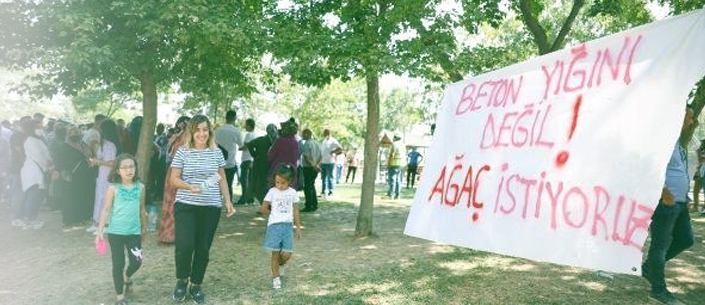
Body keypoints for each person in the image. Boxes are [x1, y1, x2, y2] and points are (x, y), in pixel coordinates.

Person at [169, 115, 235, 304]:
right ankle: (181, 281)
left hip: (210, 207)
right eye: (197, 130)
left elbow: (221, 177)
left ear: (210, 131)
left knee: (203, 248)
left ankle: (196, 284)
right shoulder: (183, 152)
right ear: (191, 132)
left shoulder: (216, 152)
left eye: (205, 129)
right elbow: (173, 179)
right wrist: (190, 187)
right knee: (185, 245)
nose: (201, 133)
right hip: (185, 205)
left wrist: (228, 201)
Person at [642, 105, 695, 305]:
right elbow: (652, 167)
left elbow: (678, 170)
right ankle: (658, 291)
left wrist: (685, 196)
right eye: (689, 118)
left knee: (685, 240)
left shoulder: (678, 142)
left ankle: (649, 268)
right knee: (660, 246)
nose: (691, 122)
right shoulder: (662, 139)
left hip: (680, 203)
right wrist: (664, 192)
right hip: (666, 203)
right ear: (678, 117)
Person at [95, 153, 147, 305]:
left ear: (135, 169)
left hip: (134, 233)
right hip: (116, 233)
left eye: (131, 166)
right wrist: (100, 231)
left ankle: (127, 278)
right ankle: (120, 297)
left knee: (137, 261)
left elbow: (142, 209)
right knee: (118, 264)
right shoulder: (113, 189)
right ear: (118, 171)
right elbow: (106, 210)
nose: (128, 170)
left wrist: (144, 228)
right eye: (124, 167)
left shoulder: (141, 187)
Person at [260, 163, 302, 290]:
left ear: (289, 181)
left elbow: (296, 211)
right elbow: (263, 208)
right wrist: (272, 213)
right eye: (277, 182)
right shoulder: (272, 192)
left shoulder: (293, 193)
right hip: (274, 226)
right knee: (275, 253)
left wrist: (298, 227)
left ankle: (280, 264)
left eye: (283, 183)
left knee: (287, 253)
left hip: (288, 226)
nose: (280, 185)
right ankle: (275, 277)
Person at [158, 116, 190, 244]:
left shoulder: (177, 138)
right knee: (175, 202)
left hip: (176, 171)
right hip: (179, 172)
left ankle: (169, 234)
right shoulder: (184, 138)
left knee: (173, 202)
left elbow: (169, 155)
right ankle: (171, 234)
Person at [55, 126, 95, 226]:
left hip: (85, 176)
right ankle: (71, 219)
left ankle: (83, 217)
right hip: (72, 177)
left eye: (76, 133)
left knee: (83, 197)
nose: (74, 135)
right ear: (68, 135)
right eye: (71, 133)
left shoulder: (83, 144)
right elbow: (60, 162)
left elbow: (90, 155)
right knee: (71, 198)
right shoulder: (64, 146)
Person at [18, 119, 55, 229]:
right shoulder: (30, 141)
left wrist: (49, 163)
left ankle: (33, 218)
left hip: (39, 171)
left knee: (38, 196)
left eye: (41, 126)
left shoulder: (38, 140)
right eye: (37, 127)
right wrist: (50, 166)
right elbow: (40, 157)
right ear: (31, 128)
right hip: (33, 172)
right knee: (33, 196)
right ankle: (27, 220)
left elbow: (46, 155)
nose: (40, 129)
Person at [88, 119, 122, 234]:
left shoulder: (110, 145)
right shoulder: (103, 144)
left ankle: (105, 224)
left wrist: (97, 162)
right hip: (102, 175)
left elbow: (112, 163)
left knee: (106, 199)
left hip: (108, 176)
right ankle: (97, 222)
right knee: (100, 198)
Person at [214, 110, 243, 201]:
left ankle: (215, 204)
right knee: (228, 184)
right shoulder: (236, 131)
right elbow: (241, 145)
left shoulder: (217, 130)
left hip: (217, 163)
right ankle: (228, 205)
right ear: (234, 118)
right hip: (230, 163)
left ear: (226, 117)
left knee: (217, 185)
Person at [248, 124, 278, 204]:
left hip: (271, 165)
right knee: (263, 184)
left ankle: (267, 202)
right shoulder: (263, 140)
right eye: (271, 130)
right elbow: (250, 144)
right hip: (263, 165)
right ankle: (264, 202)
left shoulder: (276, 140)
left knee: (268, 184)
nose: (272, 132)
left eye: (273, 130)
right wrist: (255, 155)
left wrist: (255, 155)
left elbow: (250, 144)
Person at [268, 118, 300, 190]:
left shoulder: (280, 141)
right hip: (291, 171)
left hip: (279, 170)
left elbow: (271, 155)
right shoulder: (295, 142)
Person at [299, 128, 321, 212]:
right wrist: (317, 165)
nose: (302, 136)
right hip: (315, 166)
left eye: (303, 134)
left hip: (308, 167)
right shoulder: (317, 143)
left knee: (308, 186)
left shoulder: (307, 144)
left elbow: (306, 157)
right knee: (312, 185)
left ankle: (309, 205)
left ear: (307, 134)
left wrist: (313, 166)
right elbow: (320, 156)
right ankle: (314, 204)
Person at [237, 118, 257, 205]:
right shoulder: (255, 135)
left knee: (243, 179)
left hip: (246, 159)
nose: (245, 127)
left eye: (246, 125)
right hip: (252, 159)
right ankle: (250, 199)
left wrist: (239, 148)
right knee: (250, 180)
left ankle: (243, 198)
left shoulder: (248, 135)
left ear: (250, 125)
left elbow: (246, 147)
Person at [320, 129, 341, 197]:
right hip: (323, 162)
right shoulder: (324, 141)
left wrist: (333, 152)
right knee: (323, 178)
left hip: (330, 162)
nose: (324, 135)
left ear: (328, 133)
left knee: (330, 177)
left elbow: (340, 148)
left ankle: (331, 191)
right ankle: (323, 191)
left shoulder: (333, 140)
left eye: (325, 134)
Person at [384, 134, 406, 200]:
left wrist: (388, 163)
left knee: (392, 179)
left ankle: (390, 195)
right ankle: (397, 195)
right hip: (401, 164)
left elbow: (392, 154)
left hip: (393, 164)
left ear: (395, 138)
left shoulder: (394, 144)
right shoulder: (403, 145)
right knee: (398, 180)